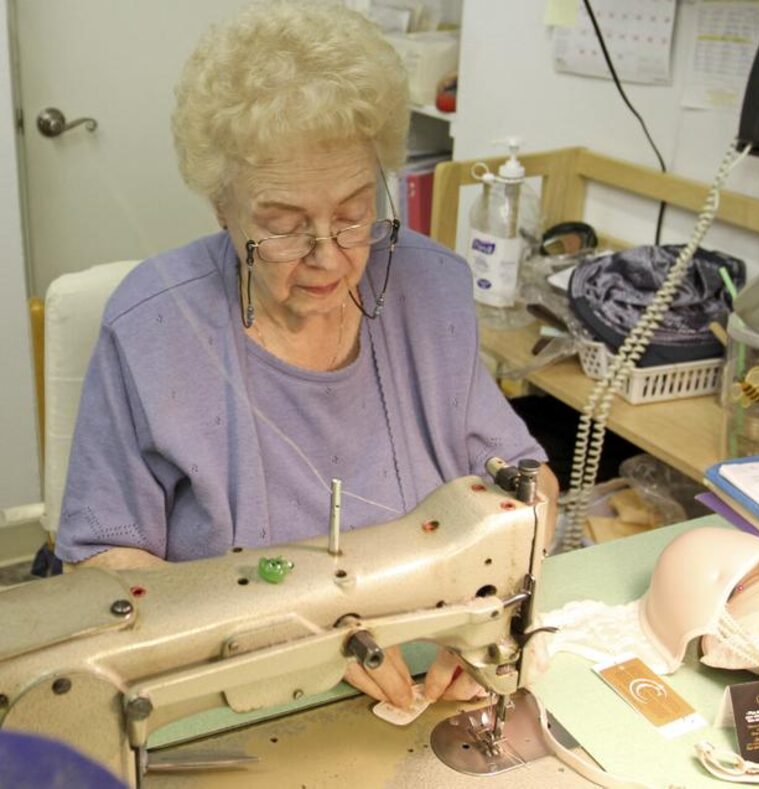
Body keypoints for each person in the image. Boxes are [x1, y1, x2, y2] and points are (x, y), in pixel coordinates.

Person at [55, 0, 558, 708]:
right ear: (221, 209)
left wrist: (484, 617)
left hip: (425, 685)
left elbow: (525, 485)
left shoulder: (430, 288)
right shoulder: (151, 328)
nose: (329, 256)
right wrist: (278, 639)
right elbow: (103, 567)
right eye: (284, 226)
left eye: (354, 213)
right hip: (236, 691)